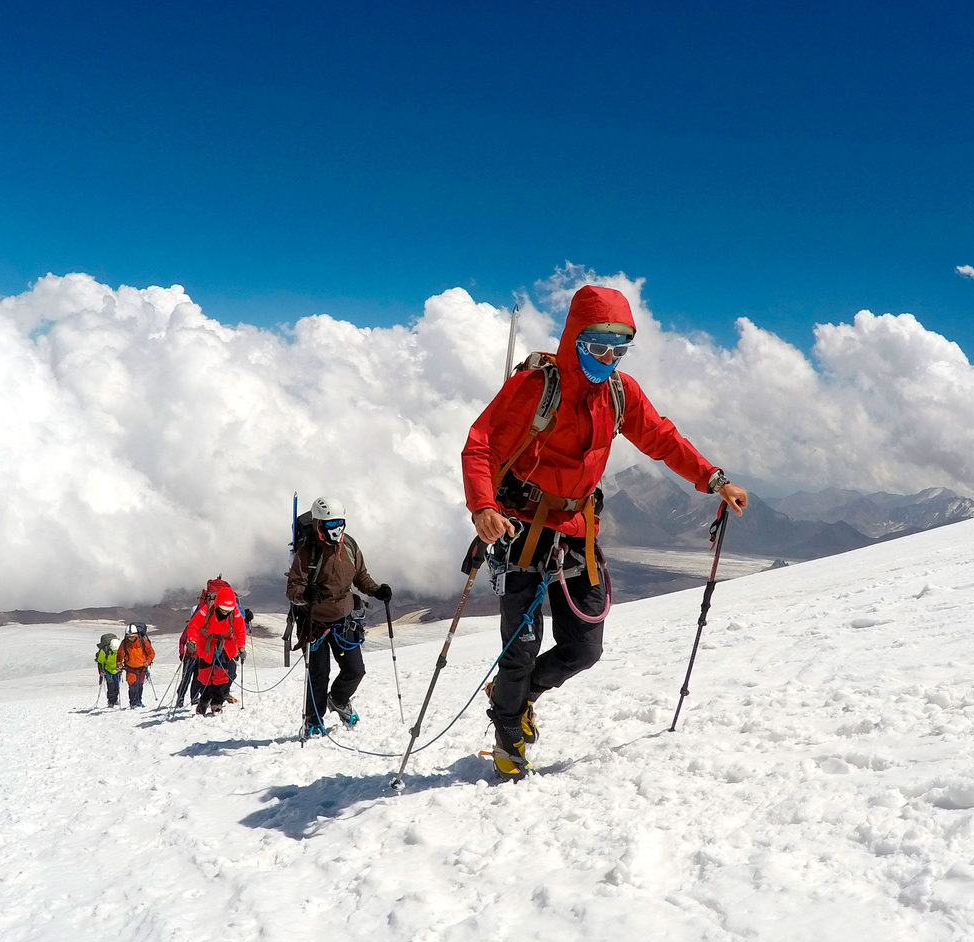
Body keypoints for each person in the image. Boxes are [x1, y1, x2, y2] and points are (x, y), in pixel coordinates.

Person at [461, 284, 749, 781]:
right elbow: (480, 446)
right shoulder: (535, 387)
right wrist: (483, 506)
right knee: (521, 646)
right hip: (522, 526)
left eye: (619, 349)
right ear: (574, 338)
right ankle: (509, 734)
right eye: (597, 346)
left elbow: (661, 437)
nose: (608, 358)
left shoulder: (620, 392)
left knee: (584, 648)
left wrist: (714, 479)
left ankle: (521, 694)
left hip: (576, 531)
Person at [286, 496, 393, 738]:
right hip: (314, 623)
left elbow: (360, 575)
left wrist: (376, 590)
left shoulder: (350, 546)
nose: (336, 530)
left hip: (344, 619)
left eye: (339, 524)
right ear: (318, 525)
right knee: (318, 674)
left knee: (355, 670)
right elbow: (293, 589)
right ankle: (314, 721)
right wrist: (306, 593)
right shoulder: (308, 553)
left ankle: (338, 699)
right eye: (330, 525)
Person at [184, 580, 248, 714]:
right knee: (205, 676)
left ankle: (216, 703)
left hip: (225, 646)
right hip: (207, 645)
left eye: (228, 610)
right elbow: (194, 626)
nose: (225, 613)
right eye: (223, 610)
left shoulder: (234, 612)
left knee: (221, 676)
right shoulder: (207, 609)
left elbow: (240, 630)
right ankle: (204, 701)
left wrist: (241, 647)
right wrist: (192, 641)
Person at [117, 623, 156, 708]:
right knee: (132, 686)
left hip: (142, 667)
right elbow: (120, 654)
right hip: (130, 668)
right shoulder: (124, 643)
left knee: (139, 685)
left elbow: (151, 653)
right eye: (129, 636)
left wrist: (148, 661)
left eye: (133, 636)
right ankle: (133, 703)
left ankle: (138, 701)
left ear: (136, 635)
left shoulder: (143, 641)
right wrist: (119, 663)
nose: (131, 638)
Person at [95, 632, 121, 707]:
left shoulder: (119, 650)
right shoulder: (104, 651)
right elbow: (100, 662)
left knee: (116, 686)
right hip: (108, 670)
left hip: (116, 670)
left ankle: (114, 700)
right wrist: (101, 671)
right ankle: (111, 701)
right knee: (111, 686)